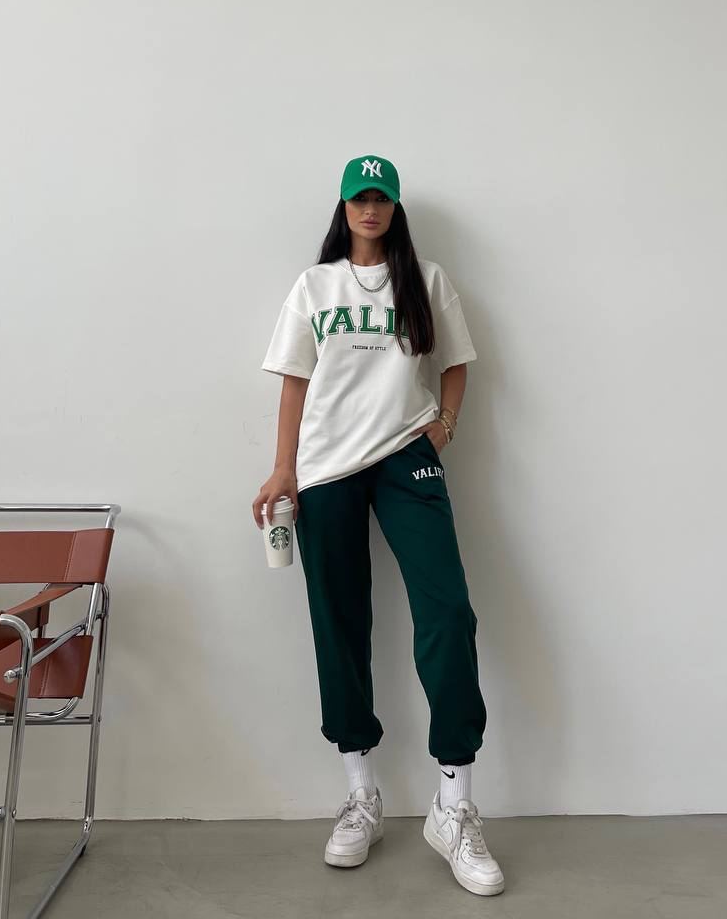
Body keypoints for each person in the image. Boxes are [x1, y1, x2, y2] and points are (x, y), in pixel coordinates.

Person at [253, 153, 504, 897]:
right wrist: (282, 468)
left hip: (405, 457)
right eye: (359, 198)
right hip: (326, 467)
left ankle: (453, 805)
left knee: (448, 612)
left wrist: (445, 425)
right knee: (339, 619)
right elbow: (295, 382)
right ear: (344, 207)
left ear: (395, 208)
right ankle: (361, 792)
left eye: (382, 198)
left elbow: (456, 362)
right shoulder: (315, 285)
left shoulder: (425, 280)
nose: (370, 209)